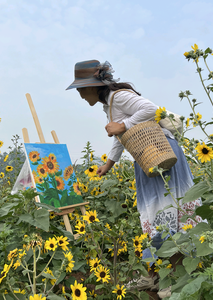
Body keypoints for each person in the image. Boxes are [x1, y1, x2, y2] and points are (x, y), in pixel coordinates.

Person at [66, 60, 203, 298]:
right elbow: (121, 135)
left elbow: (150, 109)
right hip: (147, 158)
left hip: (160, 155)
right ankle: (154, 277)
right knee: (154, 216)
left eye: (81, 88)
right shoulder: (108, 104)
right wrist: (109, 163)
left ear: (94, 86)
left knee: (170, 213)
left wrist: (123, 124)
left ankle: (174, 280)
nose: (79, 94)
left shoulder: (118, 97)